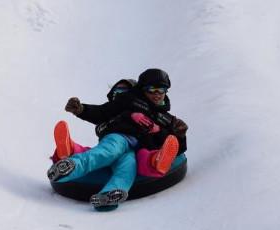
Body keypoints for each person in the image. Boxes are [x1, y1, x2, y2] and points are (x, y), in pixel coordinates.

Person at [47, 69, 187, 210]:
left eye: (161, 90)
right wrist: (82, 109)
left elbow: (176, 148)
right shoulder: (130, 101)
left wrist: (172, 133)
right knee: (108, 152)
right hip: (120, 137)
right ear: (143, 89)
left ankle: (108, 198)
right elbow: (103, 112)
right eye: (152, 90)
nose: (157, 94)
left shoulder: (167, 119)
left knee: (127, 169)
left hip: (134, 150)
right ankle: (72, 167)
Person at [51, 78, 187, 177]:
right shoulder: (114, 111)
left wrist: (176, 134)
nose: (121, 95)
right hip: (117, 142)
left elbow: (164, 134)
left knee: (135, 160)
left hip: (137, 147)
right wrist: (81, 110)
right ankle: (70, 153)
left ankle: (157, 160)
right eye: (118, 91)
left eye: (124, 92)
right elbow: (100, 112)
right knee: (108, 152)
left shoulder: (144, 112)